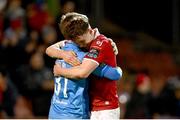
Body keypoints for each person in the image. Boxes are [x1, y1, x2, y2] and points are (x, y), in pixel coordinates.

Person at [47, 12, 121, 119]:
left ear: (89, 30)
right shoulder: (82, 56)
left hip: (102, 107)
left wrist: (60, 68)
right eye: (78, 42)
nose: (81, 44)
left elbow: (49, 49)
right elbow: (115, 74)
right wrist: (118, 70)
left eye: (82, 41)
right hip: (76, 112)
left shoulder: (64, 49)